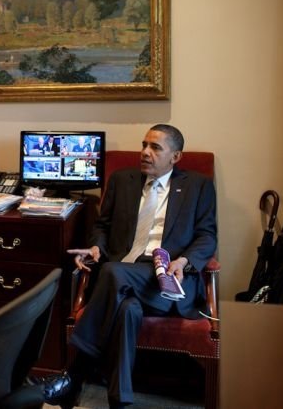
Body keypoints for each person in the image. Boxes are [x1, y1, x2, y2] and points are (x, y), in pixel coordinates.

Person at [43, 124, 217, 409]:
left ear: (176, 156)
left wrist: (184, 261)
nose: (145, 153)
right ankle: (120, 401)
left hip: (163, 280)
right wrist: (97, 246)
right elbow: (102, 225)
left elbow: (207, 235)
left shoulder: (198, 186)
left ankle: (73, 375)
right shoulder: (123, 180)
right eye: (144, 145)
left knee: (112, 272)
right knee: (127, 310)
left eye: (156, 148)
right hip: (124, 275)